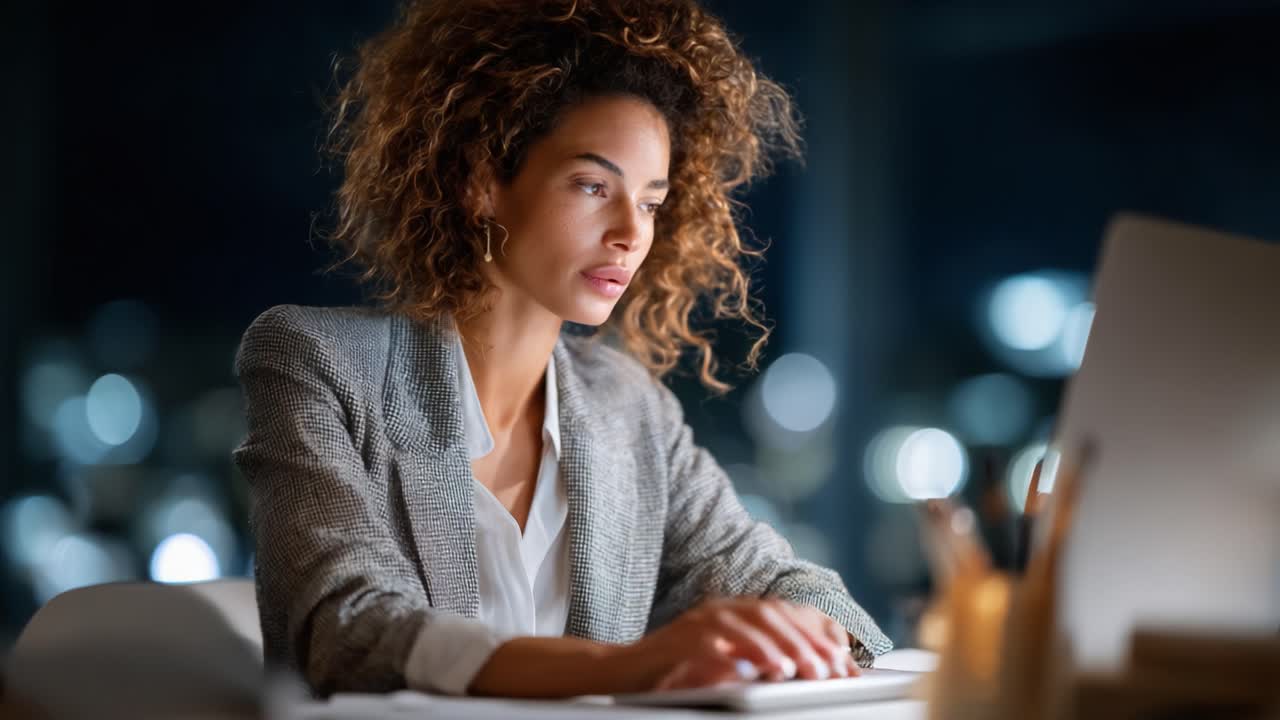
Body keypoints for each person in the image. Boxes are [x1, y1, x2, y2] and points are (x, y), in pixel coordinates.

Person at [232, 0, 890, 699]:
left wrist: (807, 633)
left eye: (651, 201)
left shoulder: (631, 407)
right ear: (481, 181)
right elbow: (349, 626)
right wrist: (629, 665)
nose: (630, 234)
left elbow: (781, 582)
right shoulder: (316, 360)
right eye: (592, 185)